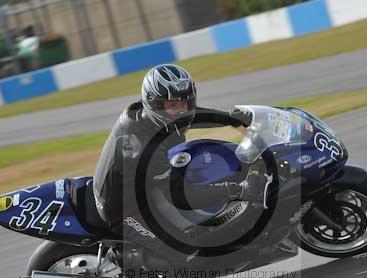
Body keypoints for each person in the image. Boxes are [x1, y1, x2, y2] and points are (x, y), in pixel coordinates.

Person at [93, 64, 264, 266]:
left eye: (185, 103)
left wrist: (232, 118)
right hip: (125, 208)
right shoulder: (145, 148)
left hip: (144, 185)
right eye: (173, 105)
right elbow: (180, 196)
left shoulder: (153, 116)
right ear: (154, 103)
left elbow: (195, 116)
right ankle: (118, 260)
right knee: (185, 254)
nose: (181, 110)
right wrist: (237, 189)